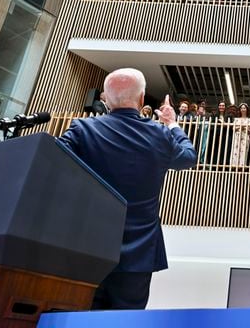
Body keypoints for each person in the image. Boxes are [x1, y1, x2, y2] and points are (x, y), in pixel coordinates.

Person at [58, 68, 197, 310]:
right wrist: (173, 123)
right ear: (142, 98)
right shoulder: (160, 133)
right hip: (140, 252)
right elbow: (188, 157)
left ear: (106, 99)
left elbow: (50, 159)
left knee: (80, 315)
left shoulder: (82, 129)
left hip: (86, 247)